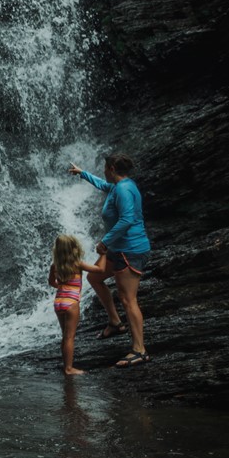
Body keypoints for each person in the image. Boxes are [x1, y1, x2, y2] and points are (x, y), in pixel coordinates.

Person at [68, 154, 152, 368]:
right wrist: (82, 174)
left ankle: (139, 350)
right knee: (94, 277)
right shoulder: (119, 185)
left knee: (128, 299)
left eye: (105, 167)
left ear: (112, 168)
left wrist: (104, 242)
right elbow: (103, 185)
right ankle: (115, 322)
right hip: (119, 249)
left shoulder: (123, 190)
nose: (103, 170)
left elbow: (127, 219)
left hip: (130, 250)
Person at [48, 233, 107, 375]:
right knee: (70, 337)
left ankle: (65, 365)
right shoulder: (77, 263)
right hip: (72, 302)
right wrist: (103, 255)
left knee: (65, 335)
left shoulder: (54, 266)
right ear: (74, 248)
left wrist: (62, 287)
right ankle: (69, 368)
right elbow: (100, 270)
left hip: (59, 302)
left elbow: (51, 283)